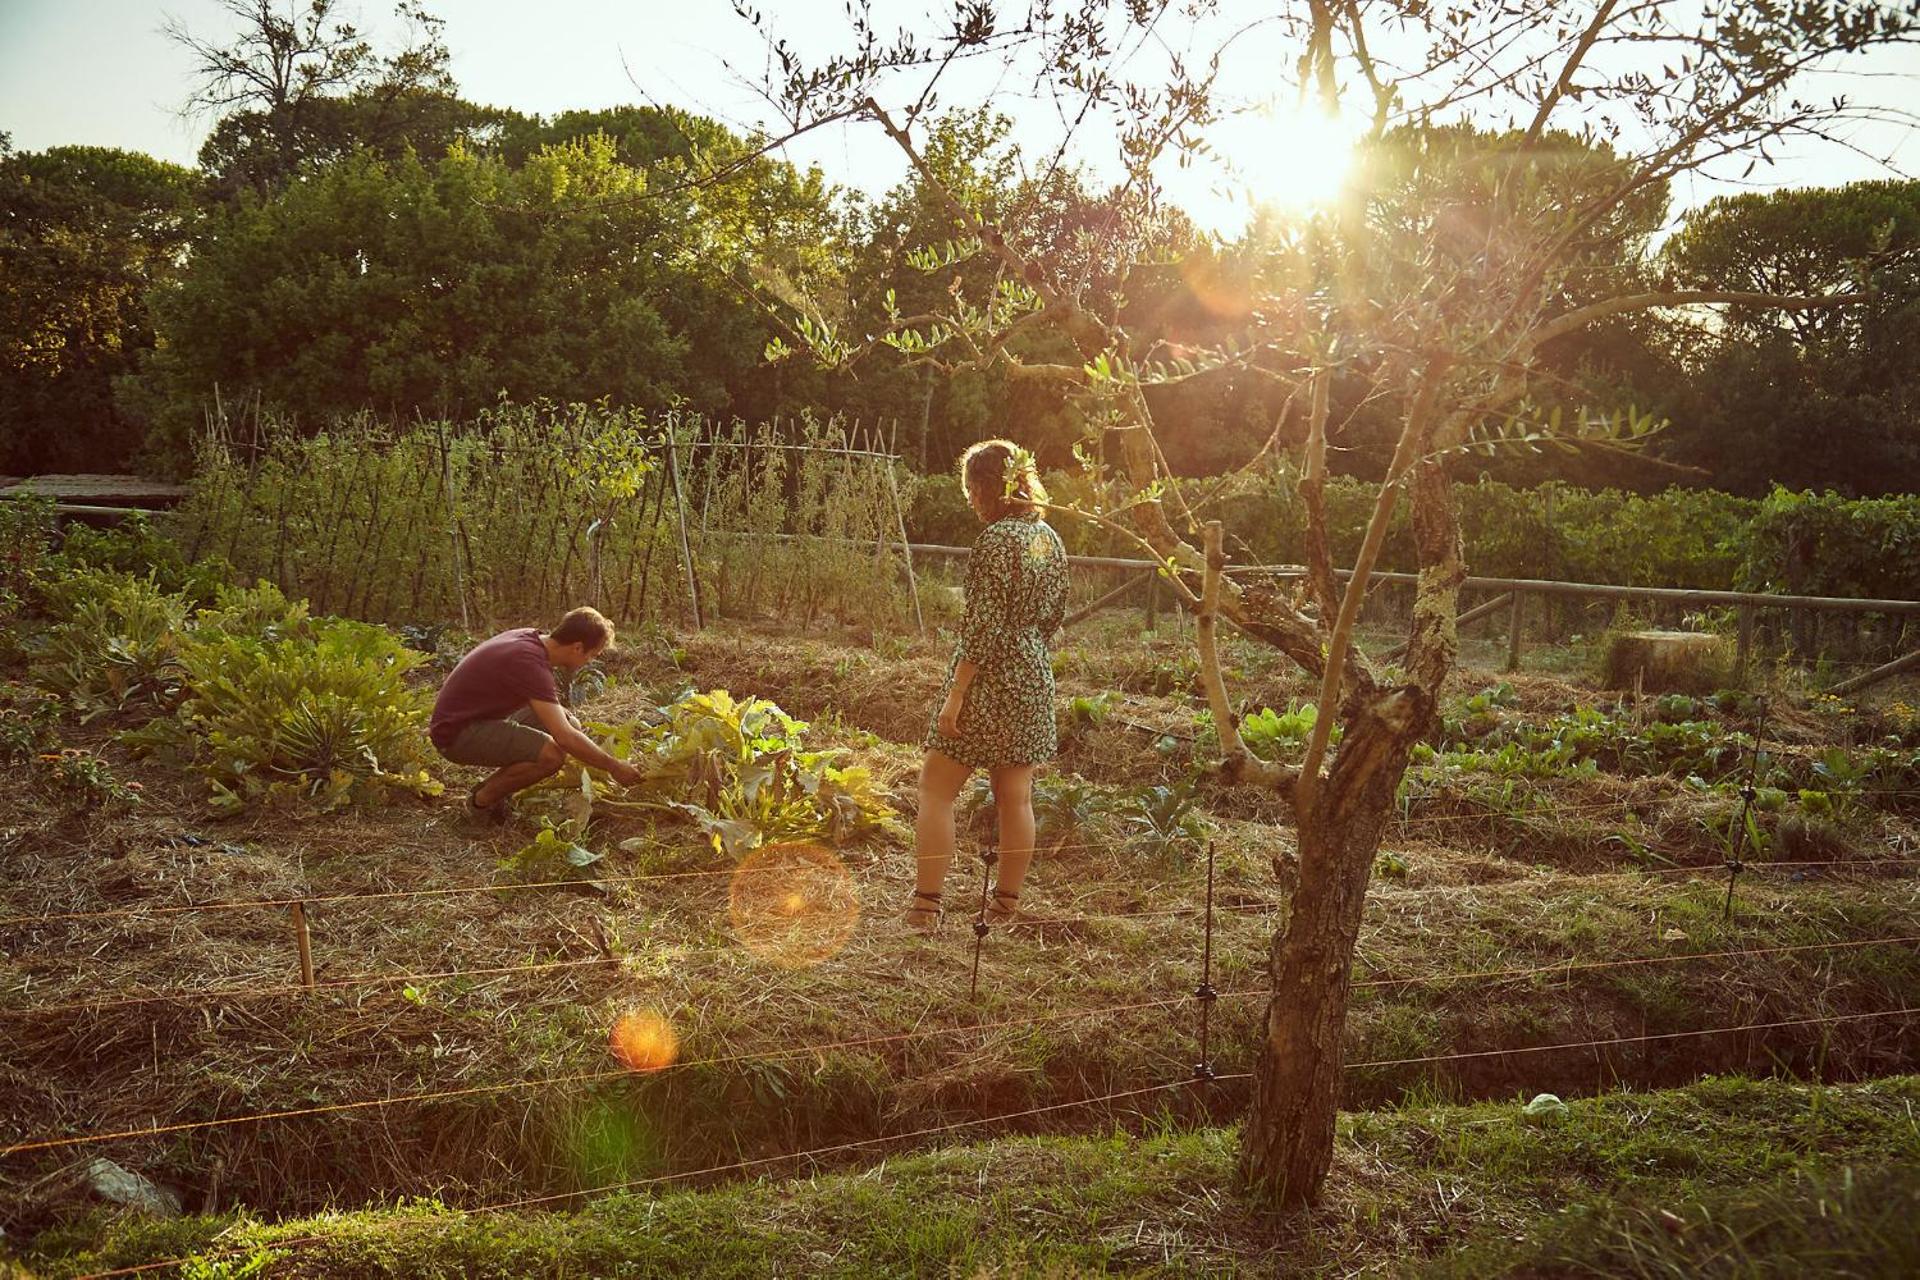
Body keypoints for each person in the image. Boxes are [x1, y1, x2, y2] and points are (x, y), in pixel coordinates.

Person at [907, 440, 1069, 931]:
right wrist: (1028, 651)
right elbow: (1054, 615)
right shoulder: (1049, 538)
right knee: (1015, 796)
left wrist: (956, 695)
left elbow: (982, 627)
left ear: (985, 487)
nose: (971, 501)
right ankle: (1004, 906)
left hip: (989, 678)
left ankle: (926, 907)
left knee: (935, 786)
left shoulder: (996, 541)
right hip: (1033, 673)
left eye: (972, 490)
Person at [431, 606, 643, 821]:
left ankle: (498, 788)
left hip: (475, 719)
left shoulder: (530, 639)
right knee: (552, 755)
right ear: (577, 648)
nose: (589, 662)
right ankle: (480, 803)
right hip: (455, 735)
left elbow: (565, 727)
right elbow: (565, 737)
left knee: (571, 723)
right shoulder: (530, 665)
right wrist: (614, 767)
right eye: (592, 655)